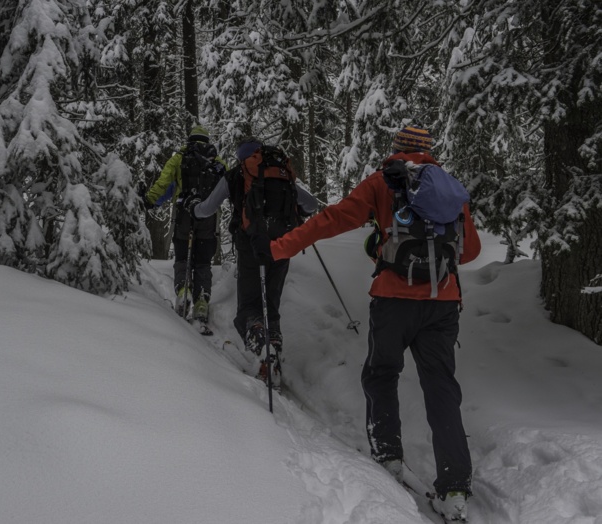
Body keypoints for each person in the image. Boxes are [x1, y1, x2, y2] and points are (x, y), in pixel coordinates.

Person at [251, 125, 481, 521]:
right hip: (442, 302)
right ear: (428, 151)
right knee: (441, 386)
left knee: (381, 373)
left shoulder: (380, 182)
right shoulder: (449, 189)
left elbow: (332, 220)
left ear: (397, 150)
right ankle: (455, 486)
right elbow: (471, 250)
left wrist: (278, 247)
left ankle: (388, 453)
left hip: (392, 300)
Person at [189, 137, 317, 366]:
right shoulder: (279, 173)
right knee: (272, 302)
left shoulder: (238, 175)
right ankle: (274, 347)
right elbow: (311, 204)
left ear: (241, 158)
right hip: (283, 243)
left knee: (250, 303)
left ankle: (260, 348)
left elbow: (208, 208)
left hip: (251, 245)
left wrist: (194, 210)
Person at [143, 125, 227, 324]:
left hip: (183, 215)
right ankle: (202, 301)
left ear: (190, 139)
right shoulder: (217, 161)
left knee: (182, 257)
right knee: (203, 262)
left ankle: (183, 290)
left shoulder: (179, 158)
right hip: (209, 217)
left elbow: (164, 183)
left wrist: (150, 200)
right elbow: (229, 185)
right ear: (206, 141)